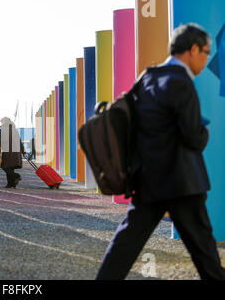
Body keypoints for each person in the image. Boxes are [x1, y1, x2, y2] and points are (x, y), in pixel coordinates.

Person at [96, 24, 225, 280]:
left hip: (148, 180)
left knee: (127, 240)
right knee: (203, 247)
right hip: (182, 181)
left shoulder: (147, 77)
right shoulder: (181, 82)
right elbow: (193, 137)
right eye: (206, 52)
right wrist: (204, 132)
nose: (206, 59)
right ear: (193, 49)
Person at [0, 117, 26, 188]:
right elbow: (20, 141)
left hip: (8, 152)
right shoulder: (15, 130)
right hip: (16, 152)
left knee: (5, 167)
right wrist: (23, 151)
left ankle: (16, 176)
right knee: (10, 168)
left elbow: (1, 141)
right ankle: (11, 184)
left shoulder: (3, 130)